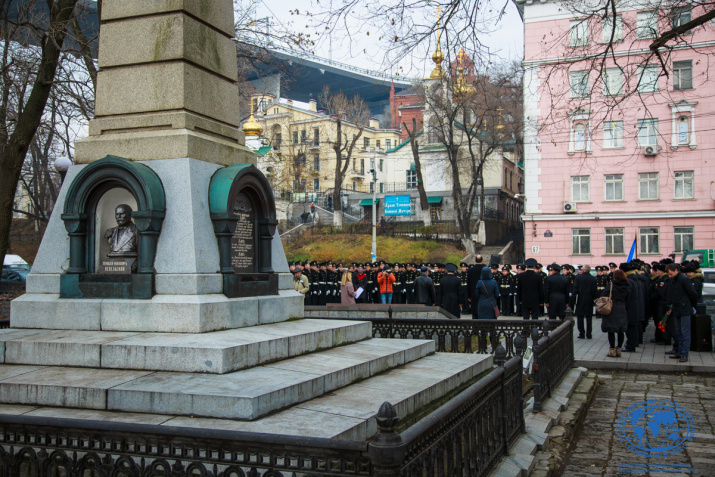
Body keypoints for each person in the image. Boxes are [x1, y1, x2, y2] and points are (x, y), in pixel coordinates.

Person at [664, 263, 698, 363]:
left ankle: (684, 353)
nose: (669, 276)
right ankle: (679, 351)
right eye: (668, 275)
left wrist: (691, 305)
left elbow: (693, 293)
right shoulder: (673, 280)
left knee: (685, 332)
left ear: (676, 270)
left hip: (684, 308)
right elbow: (671, 294)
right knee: (678, 332)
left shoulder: (684, 279)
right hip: (677, 308)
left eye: (671, 274)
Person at [601, 269, 629, 358]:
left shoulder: (612, 285)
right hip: (622, 308)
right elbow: (629, 297)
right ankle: (619, 349)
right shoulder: (627, 285)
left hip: (612, 309)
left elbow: (604, 295)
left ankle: (612, 350)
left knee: (611, 330)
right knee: (621, 330)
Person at [571, 264, 597, 339]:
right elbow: (595, 291)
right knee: (589, 317)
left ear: (583, 270)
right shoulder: (593, 278)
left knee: (580, 317)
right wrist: (595, 300)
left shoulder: (578, 278)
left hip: (581, 299)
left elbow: (575, 289)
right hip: (589, 299)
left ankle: (581, 333)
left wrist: (572, 299)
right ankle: (589, 334)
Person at [467, 255, 486, 319]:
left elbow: (468, 283)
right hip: (484, 292)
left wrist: (469, 295)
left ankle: (475, 326)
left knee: (475, 310)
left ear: (475, 261)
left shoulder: (470, 270)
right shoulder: (485, 269)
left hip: (473, 292)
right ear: (482, 260)